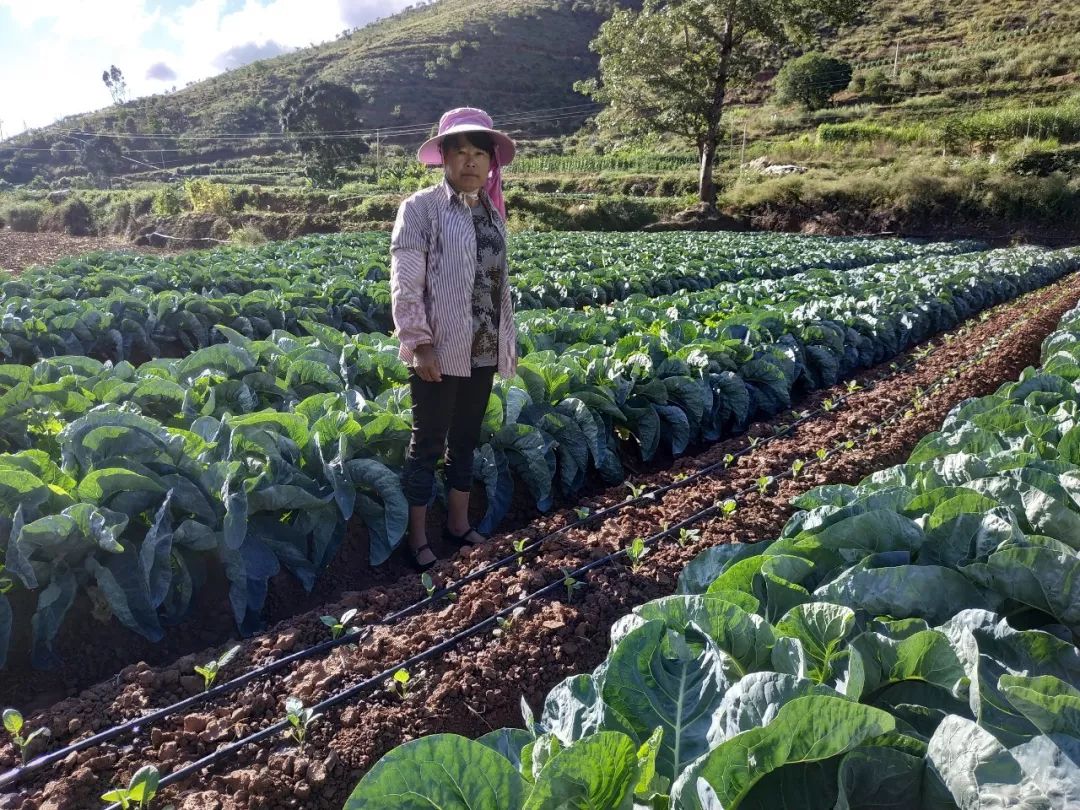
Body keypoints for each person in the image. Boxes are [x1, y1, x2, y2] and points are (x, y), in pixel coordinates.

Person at [389, 107, 518, 570]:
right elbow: (406, 281)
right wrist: (419, 342)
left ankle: (458, 526)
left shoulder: (492, 214)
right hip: (439, 350)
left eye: (479, 153)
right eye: (459, 151)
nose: (470, 162)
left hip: (482, 346)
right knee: (427, 443)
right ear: (442, 157)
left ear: (491, 162)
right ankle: (418, 538)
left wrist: (506, 343)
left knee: (465, 440)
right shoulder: (420, 209)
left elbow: (497, 284)